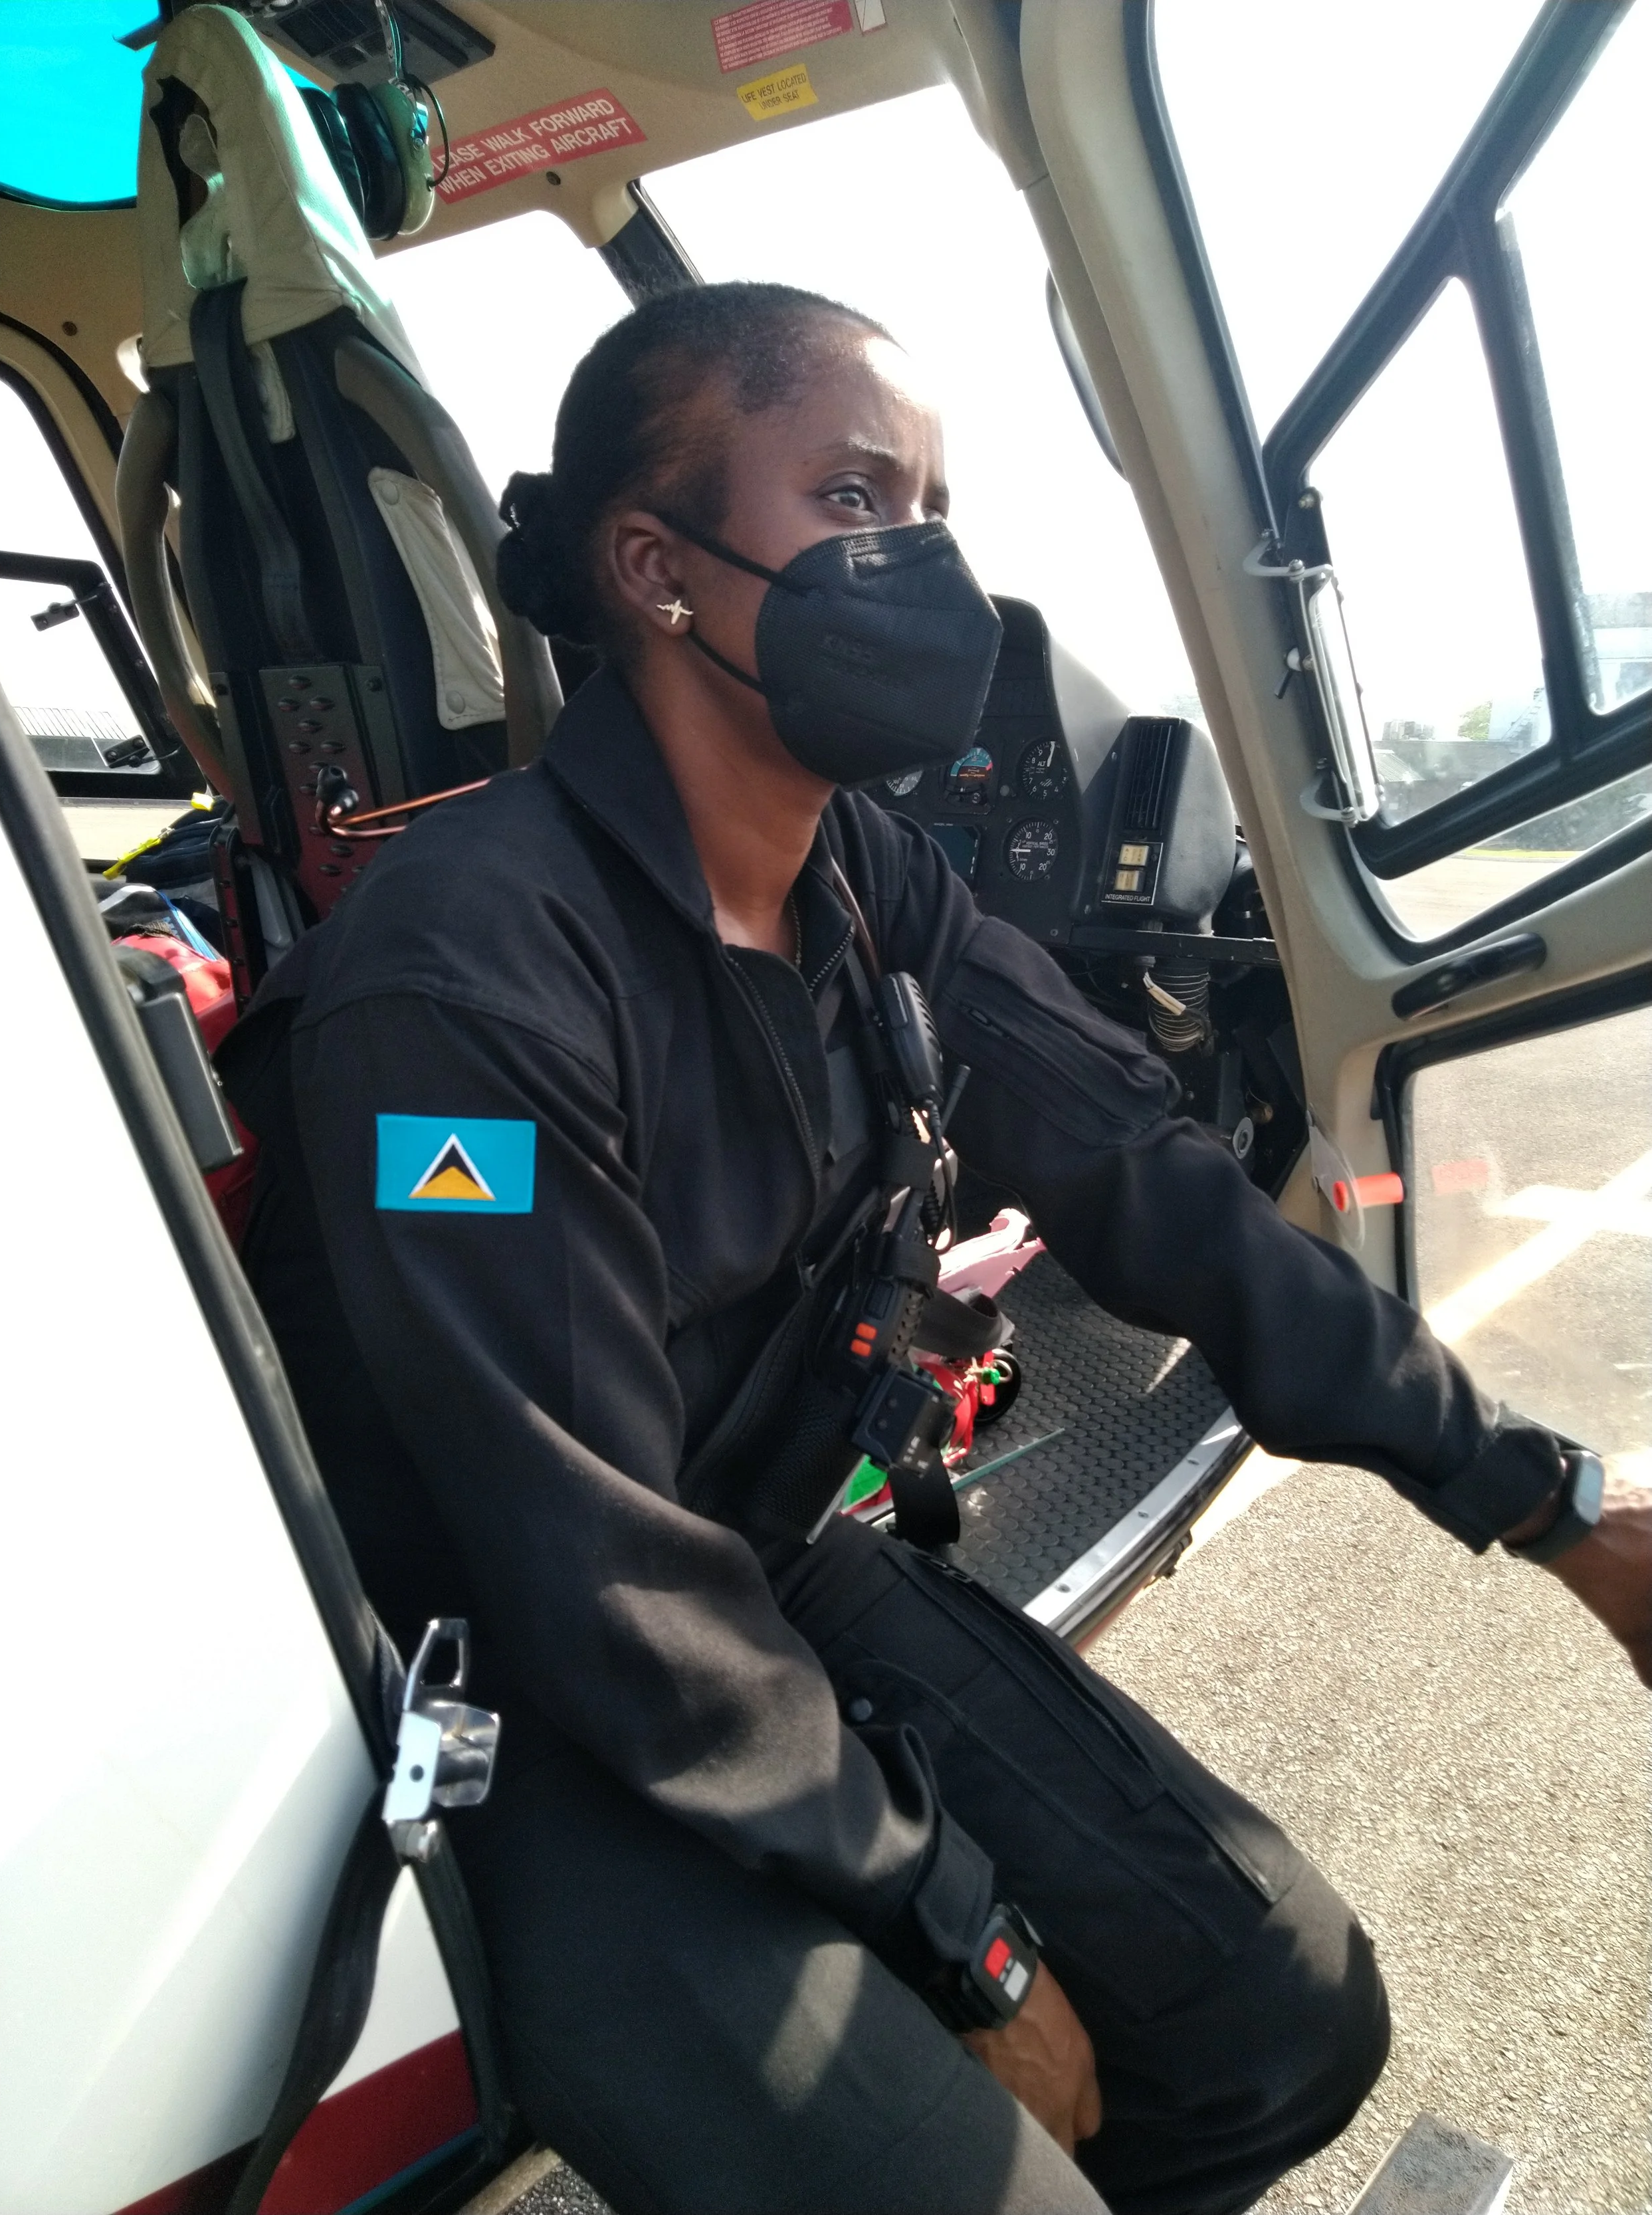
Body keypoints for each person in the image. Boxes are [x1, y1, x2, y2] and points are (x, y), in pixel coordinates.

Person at [221, 280, 1651, 2215]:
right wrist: (961, 1929)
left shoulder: (865, 878)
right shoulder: (464, 977)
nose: (925, 560)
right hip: (533, 1697)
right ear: (654, 566)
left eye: (933, 500)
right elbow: (587, 1562)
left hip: (768, 1568)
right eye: (855, 495)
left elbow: (1146, 1181)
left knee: (1274, 2012)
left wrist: (1542, 1501)